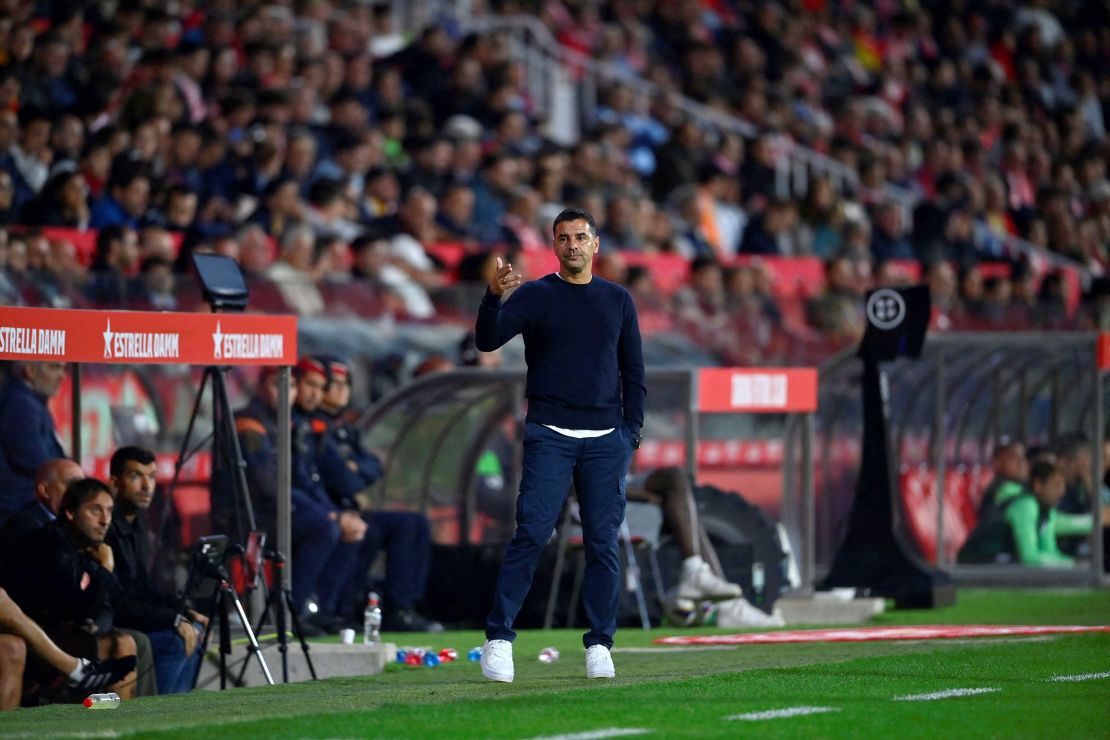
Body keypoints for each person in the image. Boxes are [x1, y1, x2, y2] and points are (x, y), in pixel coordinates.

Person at [475, 207, 645, 682]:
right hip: (550, 432)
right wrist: (492, 298)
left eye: (580, 236)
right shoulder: (535, 295)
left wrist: (631, 431)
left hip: (606, 438)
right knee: (531, 533)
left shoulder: (617, 299)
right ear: (553, 246)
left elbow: (633, 370)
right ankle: (499, 639)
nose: (572, 244)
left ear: (595, 245)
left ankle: (600, 644)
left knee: (601, 543)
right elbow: (487, 342)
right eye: (563, 237)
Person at [313, 356, 441, 632]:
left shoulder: (343, 426)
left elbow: (373, 466)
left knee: (414, 523)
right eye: (333, 385)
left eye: (345, 385)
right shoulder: (315, 427)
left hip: (352, 506)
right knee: (361, 531)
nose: (340, 392)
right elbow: (344, 479)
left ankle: (402, 607)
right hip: (330, 509)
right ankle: (338, 610)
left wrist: (355, 468)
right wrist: (354, 473)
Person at [4, 478, 139, 700]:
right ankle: (101, 718)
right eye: (95, 511)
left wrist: (98, 625)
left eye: (109, 511)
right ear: (70, 512)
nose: (105, 520)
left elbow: (110, 603)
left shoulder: (86, 547)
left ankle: (111, 720)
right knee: (118, 644)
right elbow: (73, 605)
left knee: (122, 642)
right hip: (40, 635)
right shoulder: (53, 545)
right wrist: (105, 569)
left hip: (63, 632)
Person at [230, 366, 342, 626]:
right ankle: (289, 612)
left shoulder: (285, 423)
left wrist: (330, 511)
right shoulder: (249, 422)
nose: (285, 392)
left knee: (334, 525)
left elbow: (301, 478)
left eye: (290, 386)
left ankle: (324, 610)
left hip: (274, 509)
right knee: (323, 529)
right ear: (260, 387)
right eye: (276, 385)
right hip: (248, 514)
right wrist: (323, 513)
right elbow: (268, 485)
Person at [105, 446, 206, 694]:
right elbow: (117, 602)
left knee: (197, 629)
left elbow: (143, 585)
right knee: (175, 640)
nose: (147, 486)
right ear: (115, 482)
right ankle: (159, 713)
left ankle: (179, 713)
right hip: (110, 621)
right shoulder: (104, 527)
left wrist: (183, 610)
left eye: (151, 476)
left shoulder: (138, 522)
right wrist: (172, 619)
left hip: (130, 614)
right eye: (136, 476)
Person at [0, 587, 135, 709]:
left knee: (122, 643)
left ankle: (119, 725)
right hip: (36, 623)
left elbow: (104, 595)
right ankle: (76, 670)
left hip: (57, 625)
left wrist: (98, 624)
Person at [958, 460, 1074, 567]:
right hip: (975, 562)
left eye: (1063, 486)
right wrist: (1069, 565)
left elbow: (1049, 551)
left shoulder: (1047, 511)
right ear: (1038, 486)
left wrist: (1070, 564)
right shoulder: (1026, 505)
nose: (1061, 492)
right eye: (1056, 485)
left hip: (999, 561)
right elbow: (1030, 557)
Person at [0, 362, 68, 525]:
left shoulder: (31, 401)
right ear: (30, 371)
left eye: (64, 369)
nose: (63, 376)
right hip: (19, 511)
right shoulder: (21, 404)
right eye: (54, 368)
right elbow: (37, 462)